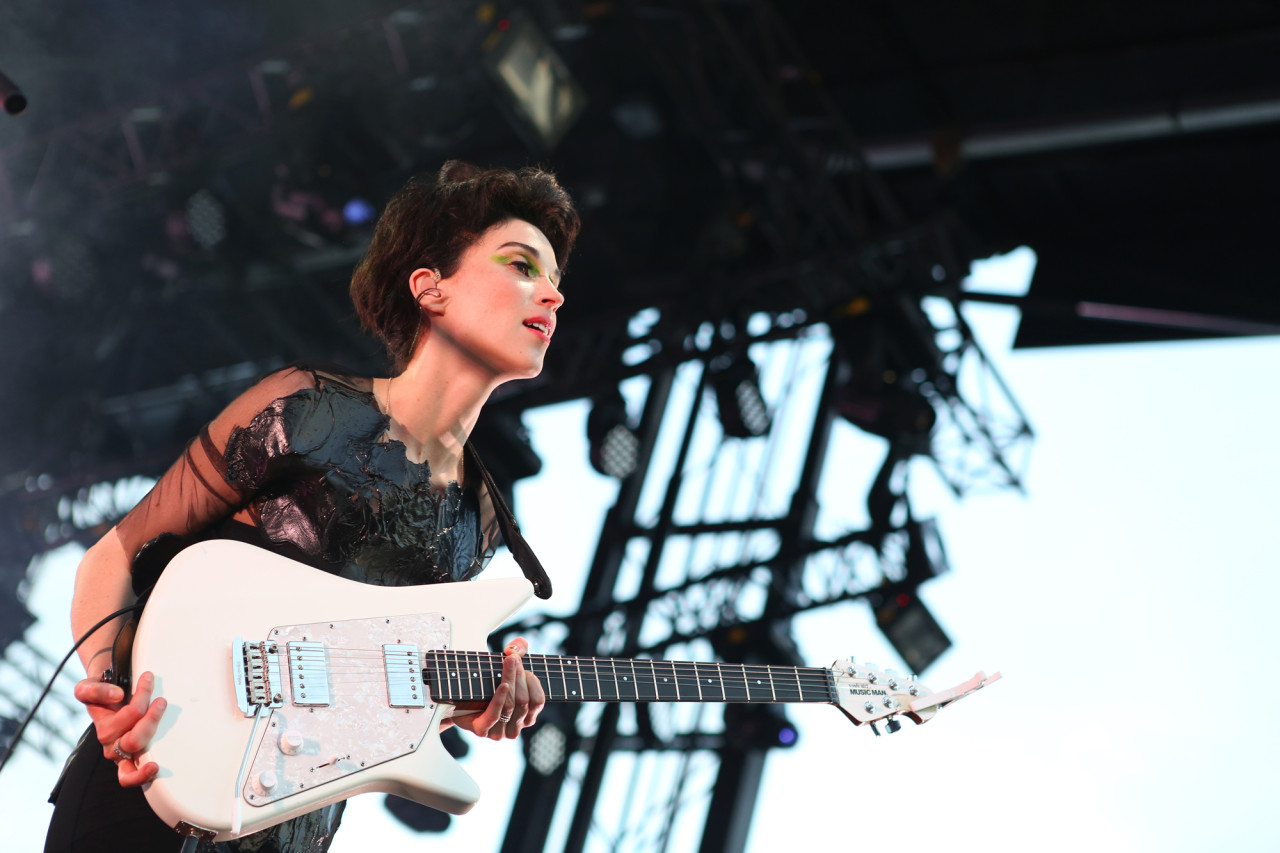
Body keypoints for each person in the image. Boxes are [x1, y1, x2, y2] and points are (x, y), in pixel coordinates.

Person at [44, 160, 580, 853]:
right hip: (150, 779)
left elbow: (363, 683)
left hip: (289, 827)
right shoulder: (305, 407)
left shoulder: (481, 521)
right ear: (430, 287)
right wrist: (111, 692)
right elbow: (115, 553)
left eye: (556, 282)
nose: (552, 296)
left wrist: (463, 711)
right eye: (522, 265)